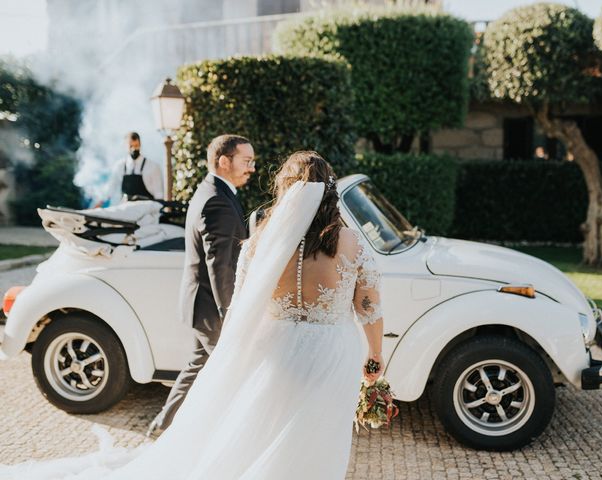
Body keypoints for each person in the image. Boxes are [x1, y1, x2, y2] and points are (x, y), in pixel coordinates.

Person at [0, 151, 384, 480]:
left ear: (286, 191)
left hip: (275, 349)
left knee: (266, 428)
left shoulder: (260, 243)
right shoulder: (351, 244)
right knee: (317, 434)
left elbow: (241, 302)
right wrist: (375, 356)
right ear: (329, 191)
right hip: (332, 353)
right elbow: (369, 307)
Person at [147, 134, 256, 436]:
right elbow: (220, 266)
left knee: (197, 367)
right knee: (233, 371)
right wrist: (231, 314)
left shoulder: (211, 191)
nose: (252, 168)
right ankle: (218, 436)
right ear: (224, 161)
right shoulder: (217, 201)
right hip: (212, 308)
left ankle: (163, 428)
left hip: (201, 304)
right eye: (247, 161)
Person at [105, 132, 164, 205]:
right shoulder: (119, 166)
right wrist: (100, 203)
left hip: (146, 210)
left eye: (136, 146)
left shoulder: (153, 167)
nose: (134, 149)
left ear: (140, 145)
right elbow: (110, 189)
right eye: (131, 146)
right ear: (125, 146)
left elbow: (159, 195)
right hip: (125, 209)